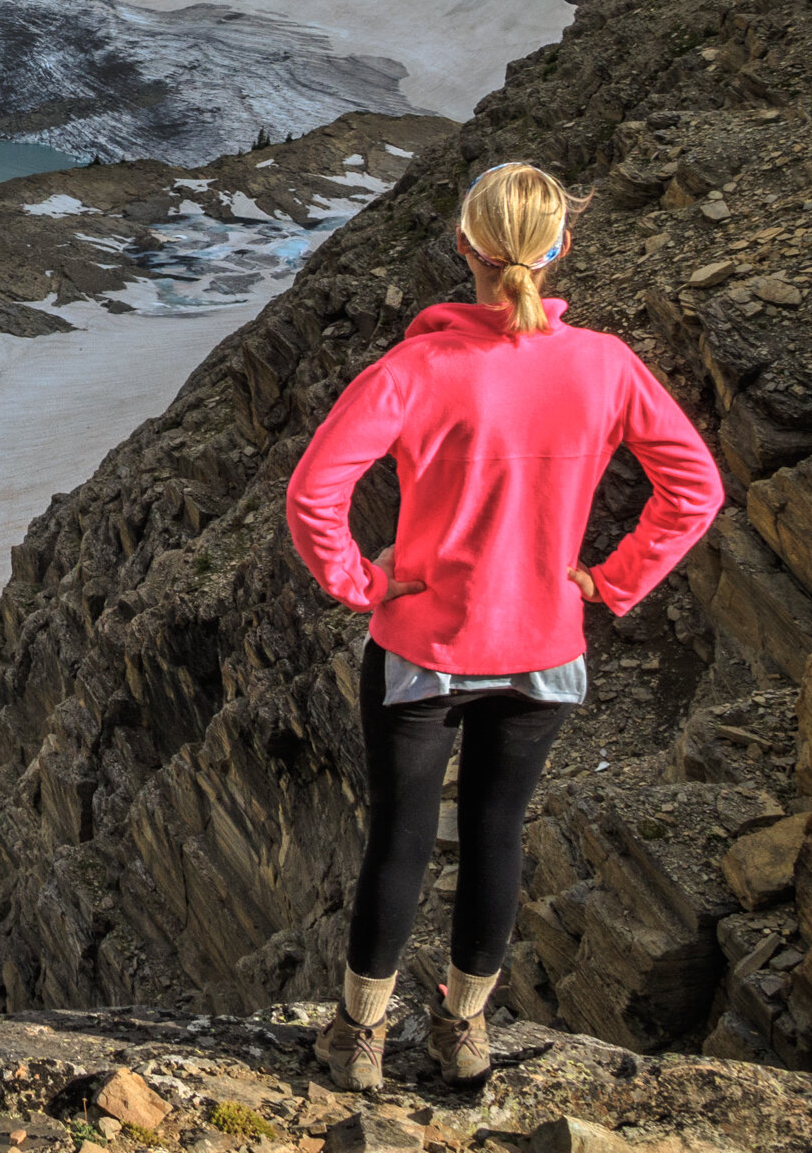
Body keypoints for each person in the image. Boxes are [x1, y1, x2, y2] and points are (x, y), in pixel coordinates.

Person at [284, 161, 724, 1090]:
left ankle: (360, 1039)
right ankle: (464, 1031)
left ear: (466, 248)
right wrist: (610, 583)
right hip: (545, 647)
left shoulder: (416, 369)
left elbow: (314, 492)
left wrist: (362, 581)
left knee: (400, 838)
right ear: (560, 249)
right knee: (497, 832)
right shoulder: (605, 365)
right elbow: (695, 488)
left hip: (423, 647)